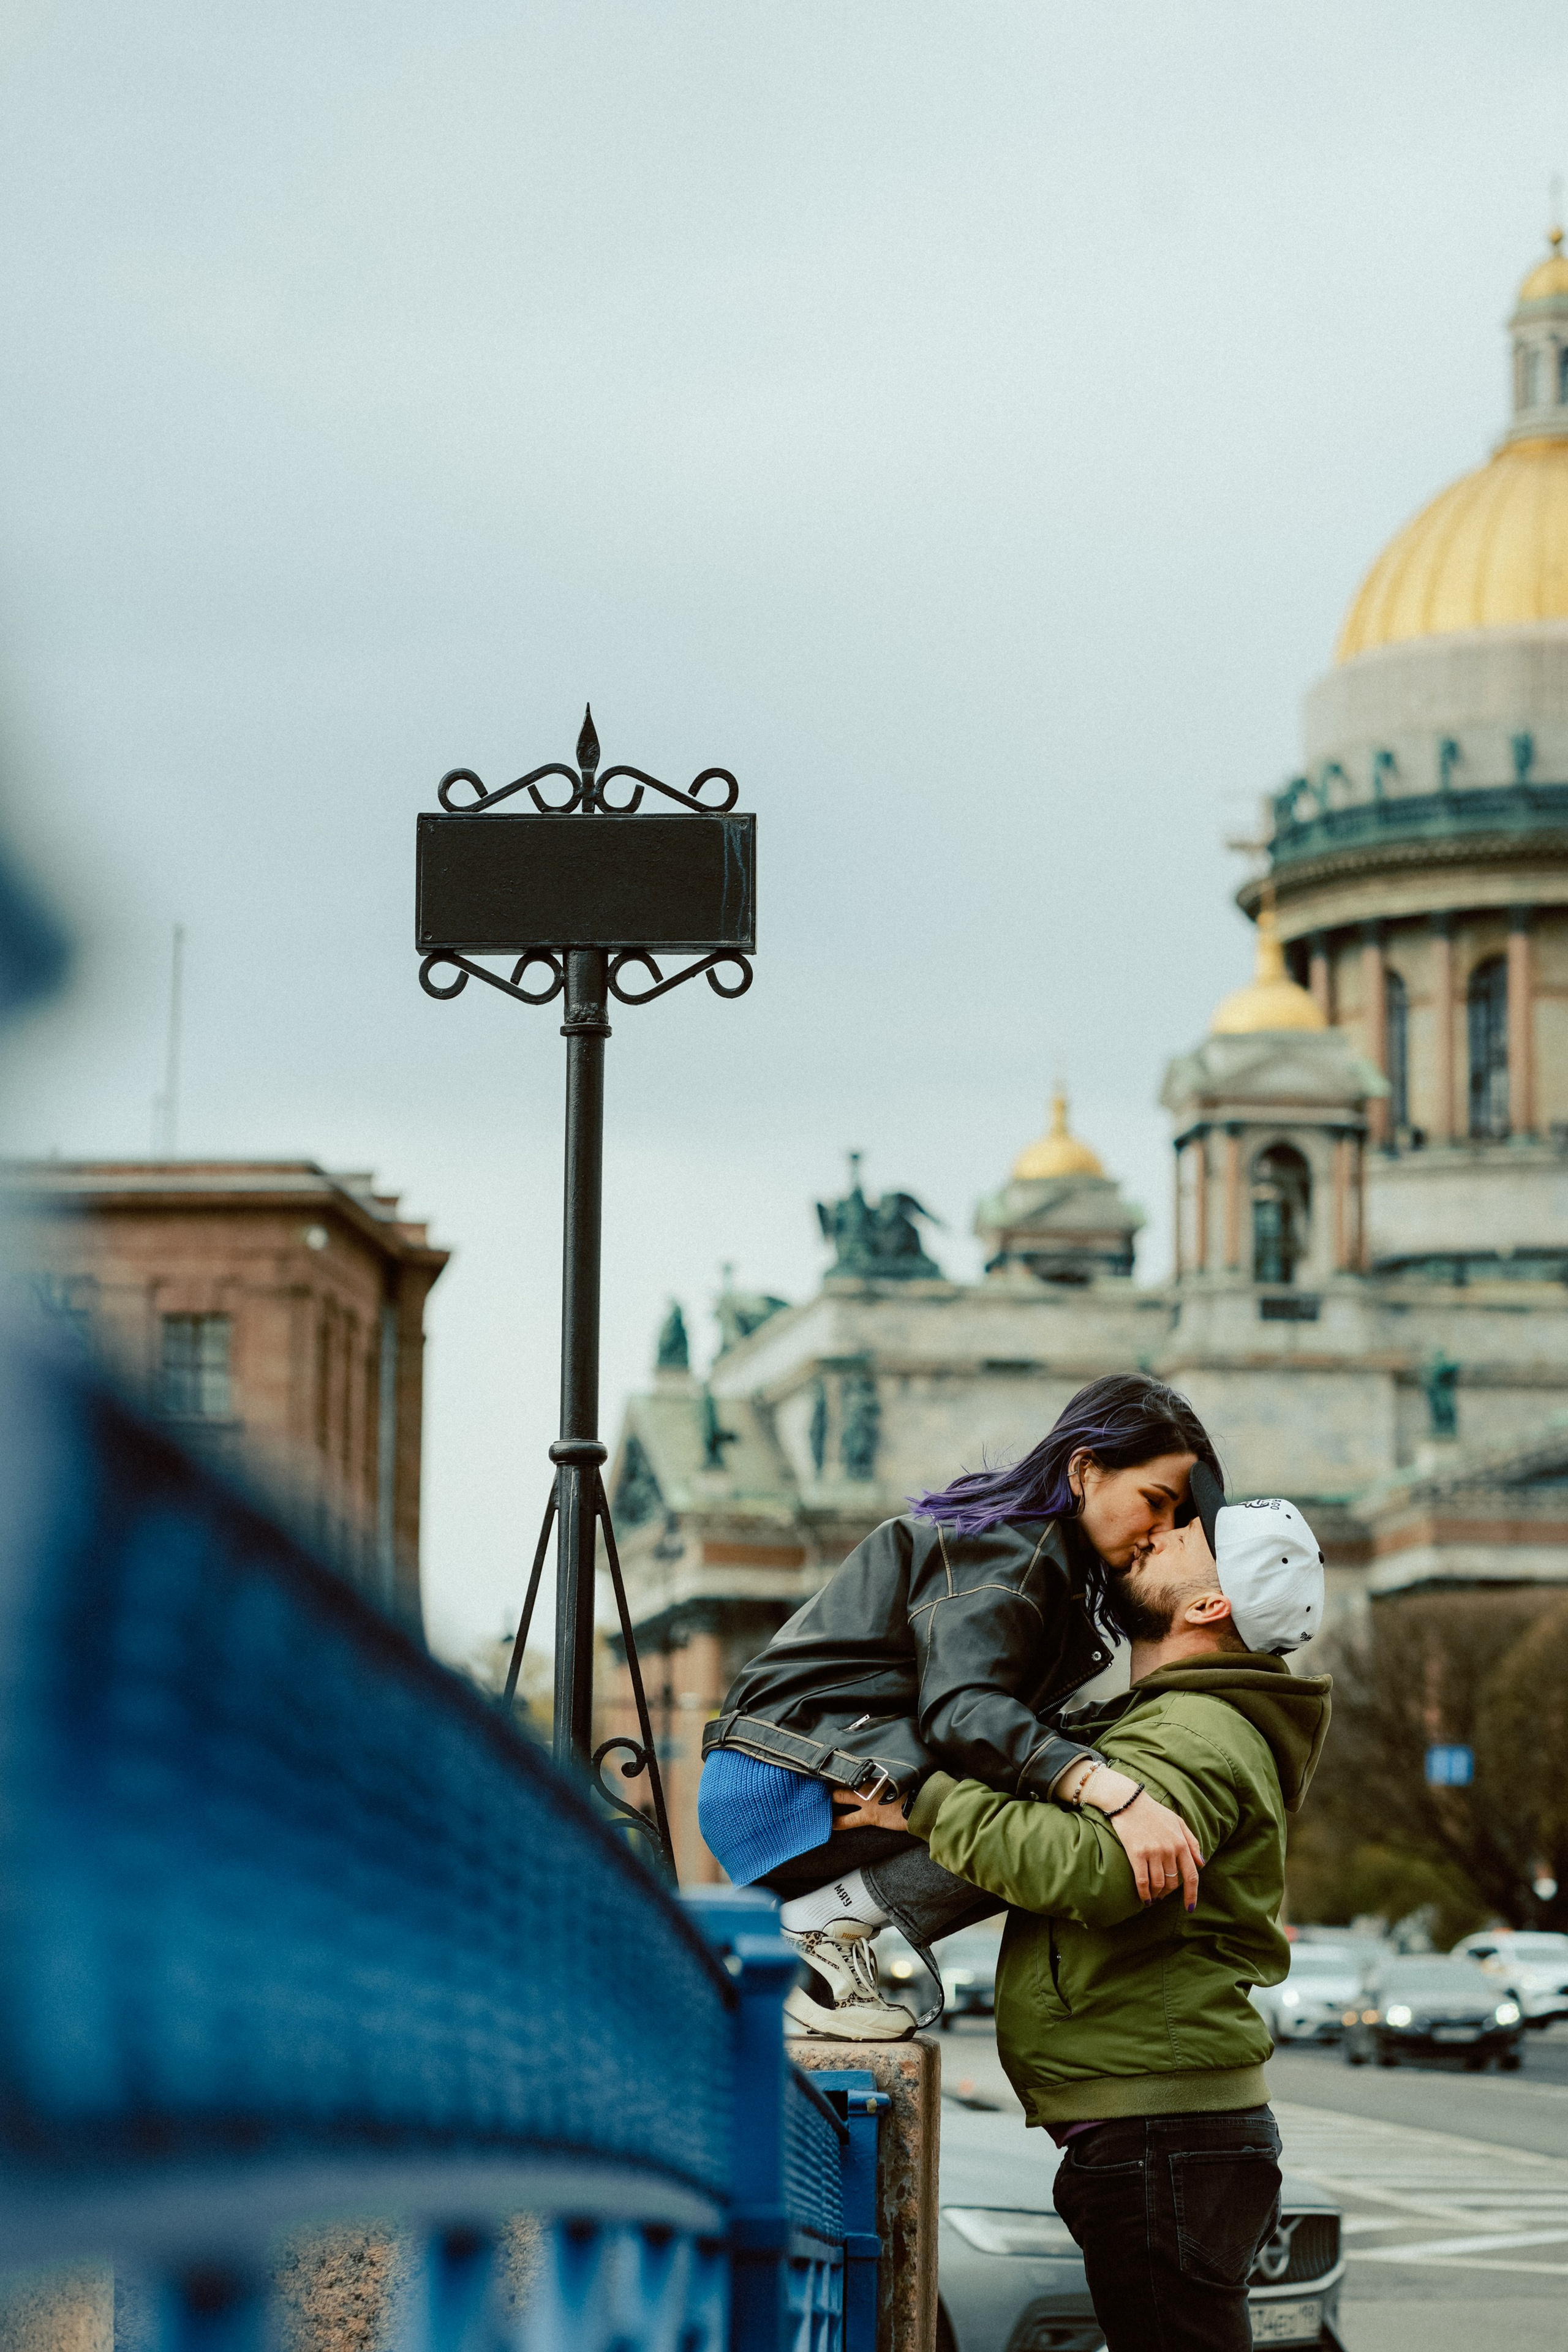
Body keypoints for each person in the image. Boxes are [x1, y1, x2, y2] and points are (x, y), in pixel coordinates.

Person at [837, 1463, 1330, 2352]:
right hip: (1159, 2128)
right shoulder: (1174, 1721)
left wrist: (926, 1805)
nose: (1157, 1534)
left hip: (1165, 2130)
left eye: (1184, 1537)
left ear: (1209, 1606)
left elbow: (1100, 1870)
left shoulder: (1198, 1733)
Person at [698, 1373, 1222, 2037]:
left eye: (1178, 1522)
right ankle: (826, 1924)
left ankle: (829, 1924)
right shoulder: (1013, 1548)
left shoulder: (1023, 1546)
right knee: (1058, 1834)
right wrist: (1115, 1792)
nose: (1159, 1532)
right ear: (1086, 1468)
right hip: (791, 1781)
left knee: (1042, 1802)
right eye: (1156, 1501)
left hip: (786, 1768)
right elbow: (965, 1711)